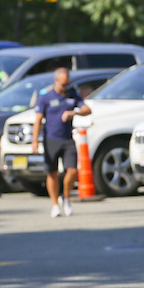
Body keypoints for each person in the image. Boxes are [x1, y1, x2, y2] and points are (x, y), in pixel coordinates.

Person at [32, 67, 91, 218]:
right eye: (63, 84)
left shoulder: (72, 96)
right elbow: (38, 120)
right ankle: (55, 205)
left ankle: (65, 197)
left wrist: (74, 112)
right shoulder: (45, 98)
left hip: (67, 139)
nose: (66, 87)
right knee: (52, 173)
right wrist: (34, 141)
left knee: (72, 171)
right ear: (56, 81)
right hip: (51, 139)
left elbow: (87, 109)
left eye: (67, 84)